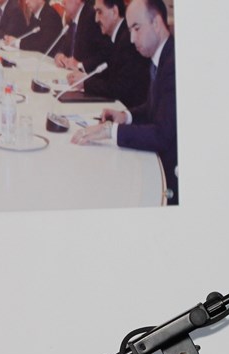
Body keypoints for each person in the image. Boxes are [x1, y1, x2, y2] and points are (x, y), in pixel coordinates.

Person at [72, 0, 177, 205]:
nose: (131, 39)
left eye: (137, 29)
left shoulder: (174, 64)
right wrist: (126, 116)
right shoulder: (161, 57)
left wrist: (111, 131)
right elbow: (153, 107)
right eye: (130, 30)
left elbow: (162, 134)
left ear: (156, 23)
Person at [64, 0, 149, 109]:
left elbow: (119, 88)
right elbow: (108, 76)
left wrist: (86, 82)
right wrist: (85, 78)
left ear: (114, 12)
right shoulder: (117, 36)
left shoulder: (127, 40)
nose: (96, 19)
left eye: (100, 12)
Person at [53, 0, 110, 72]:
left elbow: (104, 53)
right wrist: (59, 55)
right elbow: (65, 46)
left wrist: (80, 65)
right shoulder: (74, 19)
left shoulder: (92, 17)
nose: (62, 2)